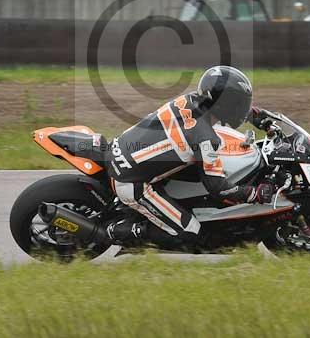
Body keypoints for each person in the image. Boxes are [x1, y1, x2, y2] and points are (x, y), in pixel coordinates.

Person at [105, 65, 275, 247]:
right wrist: (253, 193)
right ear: (224, 105)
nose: (241, 109)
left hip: (120, 150)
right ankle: (117, 232)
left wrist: (254, 115)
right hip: (130, 182)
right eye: (239, 105)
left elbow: (217, 105)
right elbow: (219, 188)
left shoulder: (190, 100)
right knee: (190, 232)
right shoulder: (205, 140)